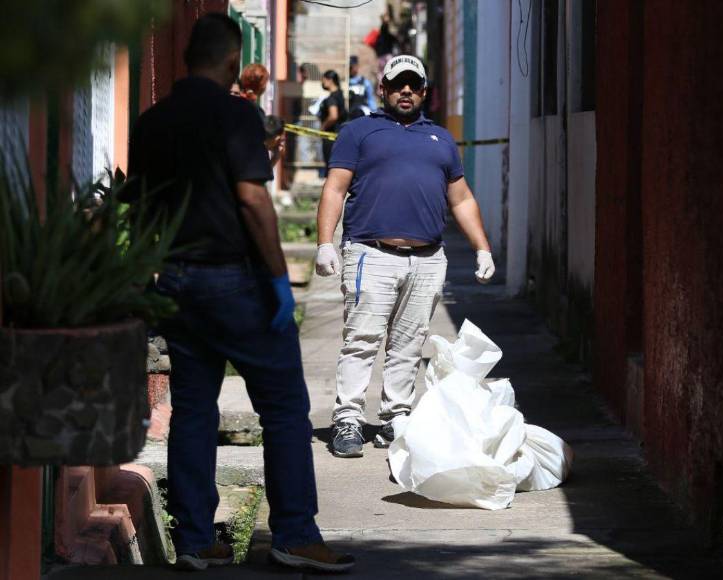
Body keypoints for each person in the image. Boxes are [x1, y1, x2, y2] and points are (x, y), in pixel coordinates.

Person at [125, 13, 353, 573]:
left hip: (177, 281)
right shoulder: (236, 115)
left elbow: (141, 203)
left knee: (194, 411)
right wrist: (278, 281)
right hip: (235, 281)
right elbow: (252, 200)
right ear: (232, 61)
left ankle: (197, 541)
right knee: (283, 408)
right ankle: (295, 533)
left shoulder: (151, 122)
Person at [314, 54, 496, 458]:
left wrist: (482, 247)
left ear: (425, 91)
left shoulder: (441, 139)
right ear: (384, 90)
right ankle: (347, 419)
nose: (406, 91)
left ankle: (396, 416)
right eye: (398, 84)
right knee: (361, 340)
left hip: (428, 259)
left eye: (414, 84)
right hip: (370, 253)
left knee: (408, 343)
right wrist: (325, 241)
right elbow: (334, 189)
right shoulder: (359, 132)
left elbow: (462, 198)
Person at [317, 70, 347, 176]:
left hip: (330, 138)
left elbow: (333, 116)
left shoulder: (332, 98)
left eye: (324, 80)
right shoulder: (340, 95)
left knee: (331, 170)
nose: (322, 82)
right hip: (340, 136)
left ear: (330, 80)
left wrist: (323, 126)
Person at [348, 55, 377, 120]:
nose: (351, 69)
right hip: (349, 112)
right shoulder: (345, 83)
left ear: (357, 66)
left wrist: (374, 112)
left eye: (353, 66)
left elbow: (371, 99)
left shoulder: (365, 82)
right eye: (350, 67)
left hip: (362, 112)